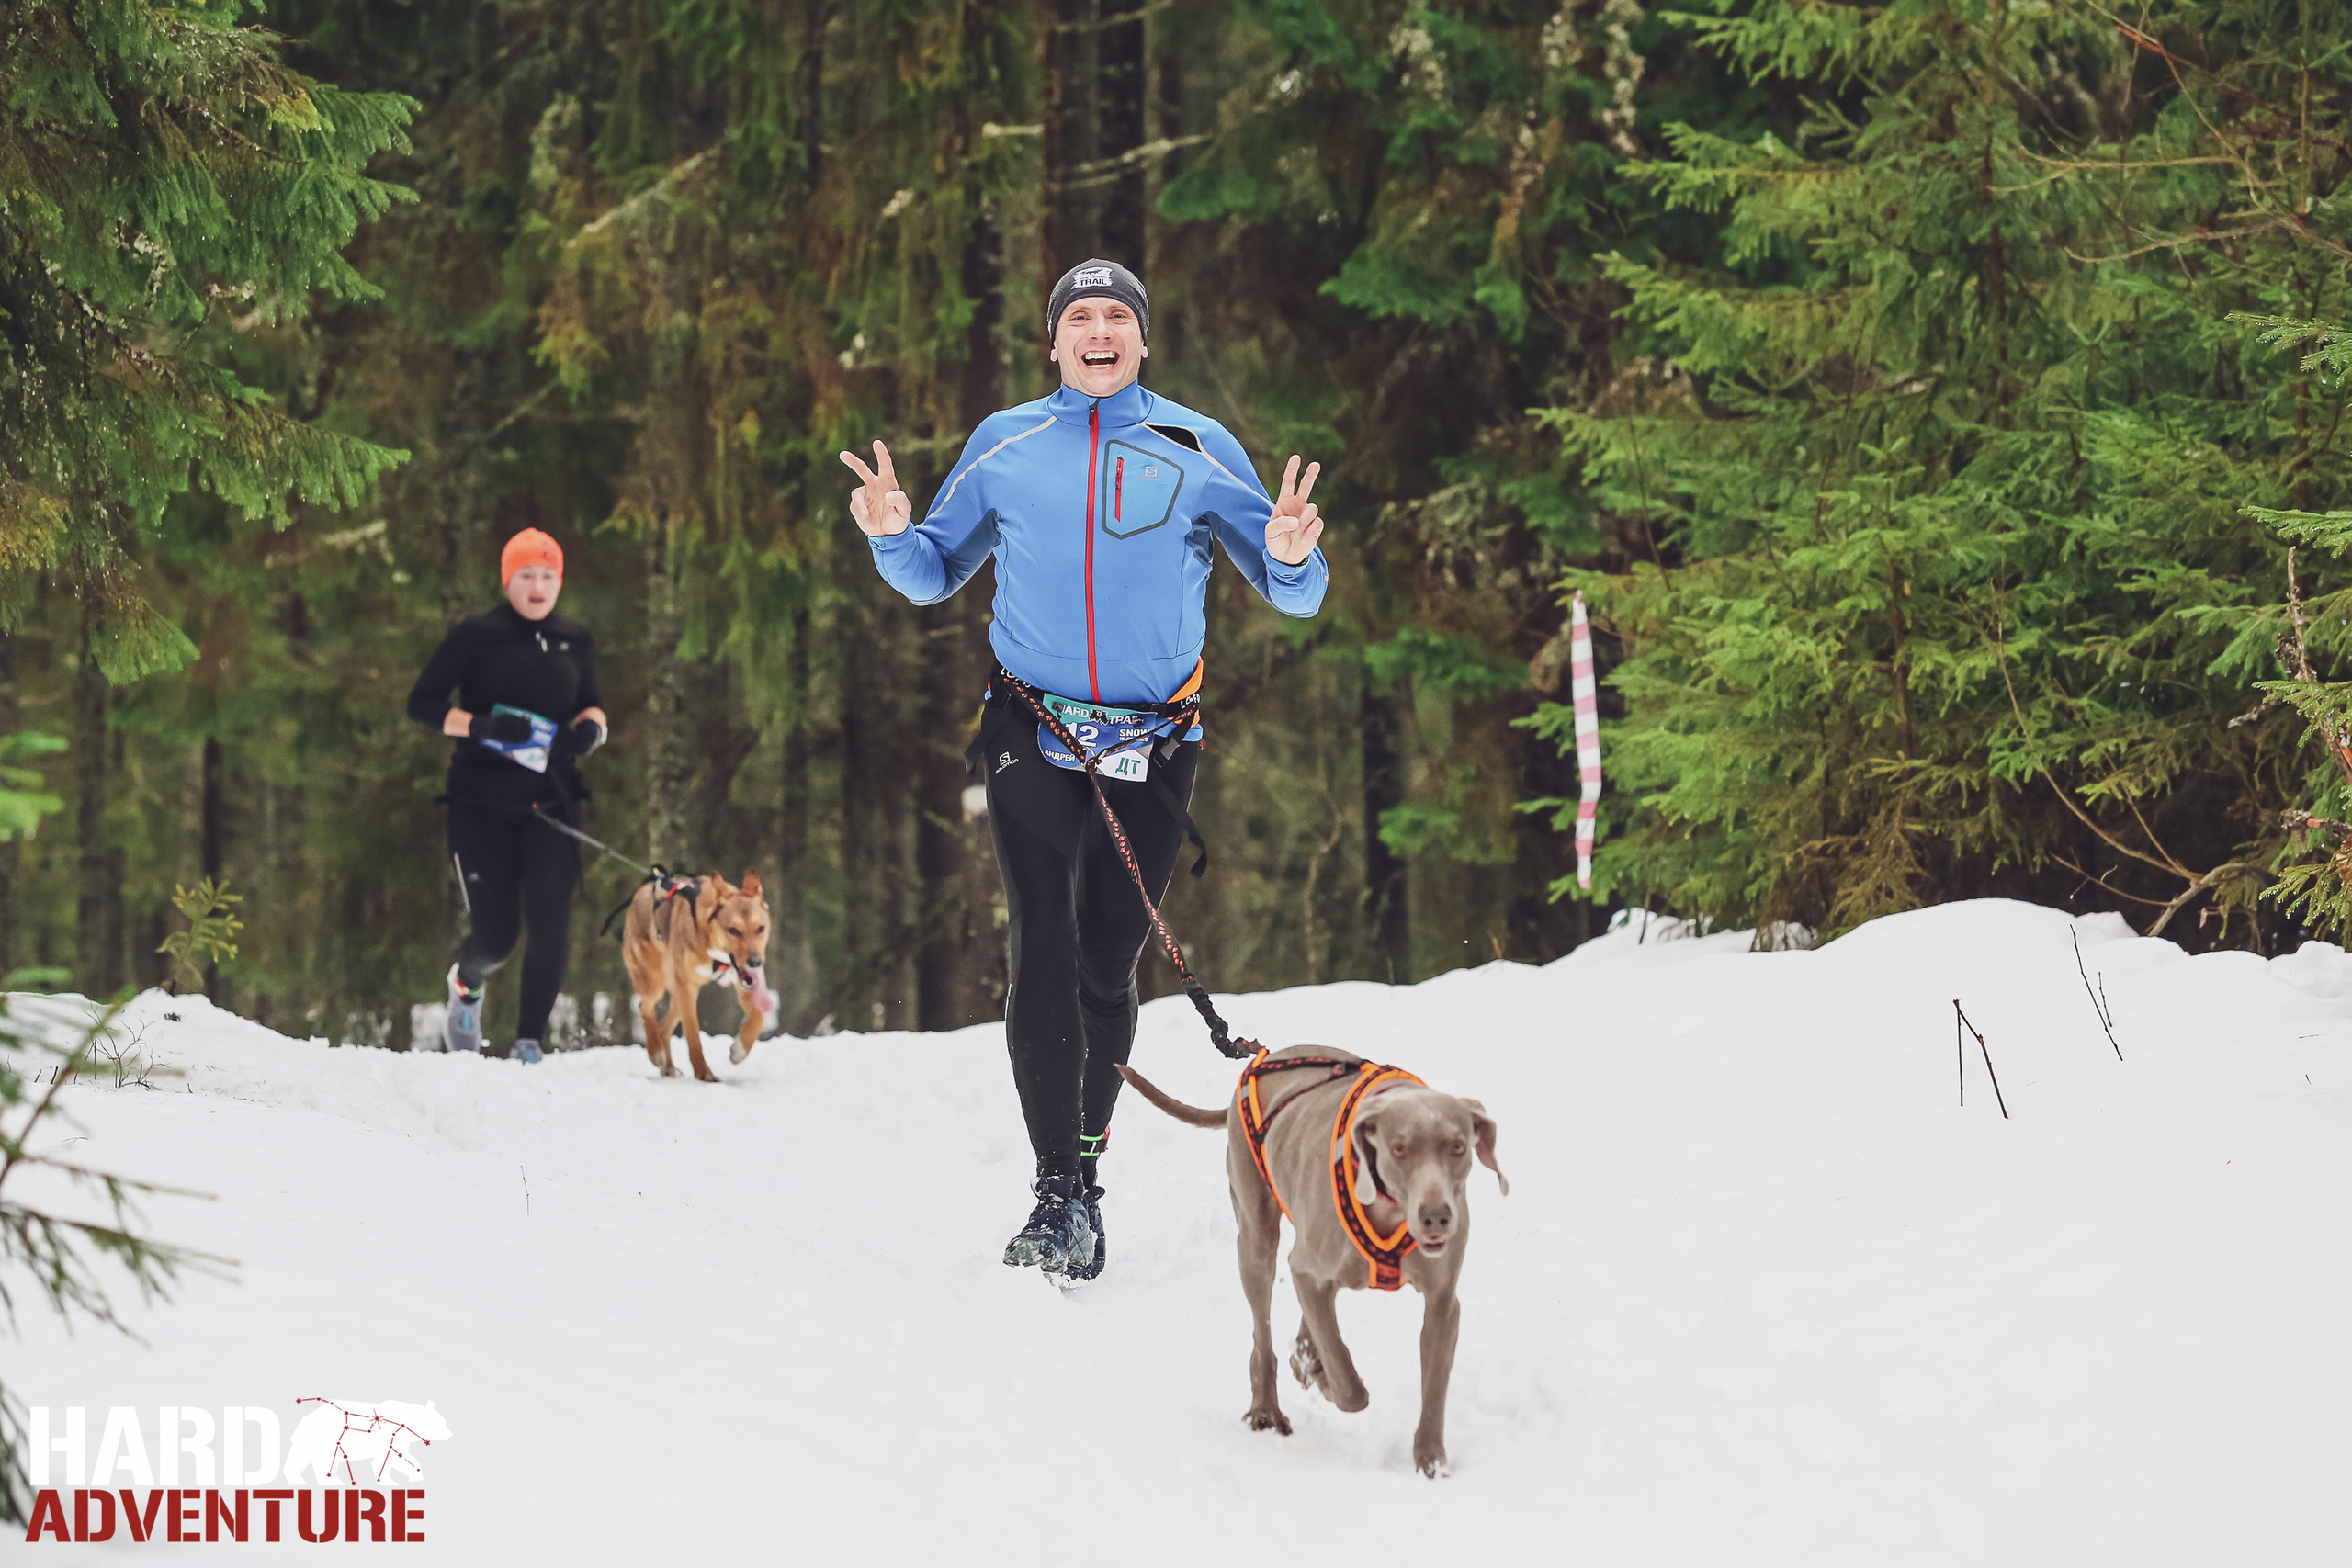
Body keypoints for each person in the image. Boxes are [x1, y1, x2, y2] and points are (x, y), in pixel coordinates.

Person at [842, 258, 1329, 1282]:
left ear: (1142, 339)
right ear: (1053, 340)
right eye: (1080, 317)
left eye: (1117, 316)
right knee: (1045, 945)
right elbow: (935, 571)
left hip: (1157, 737)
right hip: (1030, 726)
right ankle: (1053, 1192)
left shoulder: (1199, 444)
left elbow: (1289, 592)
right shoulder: (1005, 444)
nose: (1098, 331)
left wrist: (1289, 556)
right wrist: (893, 537)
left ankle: (1089, 1175)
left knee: (1109, 963)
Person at [406, 528, 608, 1062]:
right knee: (496, 937)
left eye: (548, 575)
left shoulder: (575, 640)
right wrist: (479, 725)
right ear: (508, 580)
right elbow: (422, 703)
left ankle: (528, 1043)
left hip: (554, 806)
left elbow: (590, 703)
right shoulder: (476, 635)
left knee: (550, 922)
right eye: (527, 575)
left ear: (559, 582)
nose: (538, 586)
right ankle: (467, 985)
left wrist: (591, 730)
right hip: (480, 806)